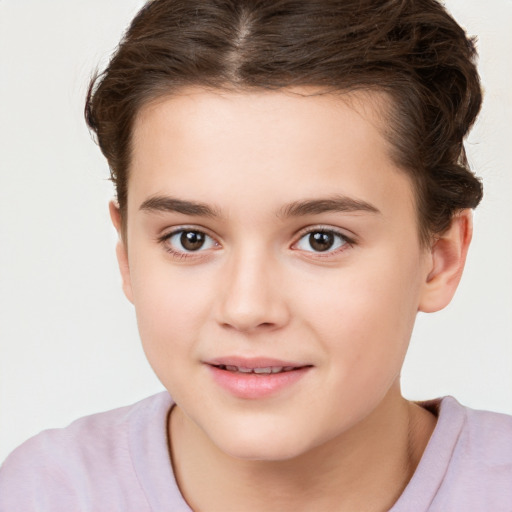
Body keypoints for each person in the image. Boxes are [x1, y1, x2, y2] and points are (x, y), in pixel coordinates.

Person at [1, 0, 511, 510]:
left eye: (321, 239)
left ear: (440, 257)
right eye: (190, 239)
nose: (247, 309)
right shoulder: (41, 494)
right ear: (128, 255)